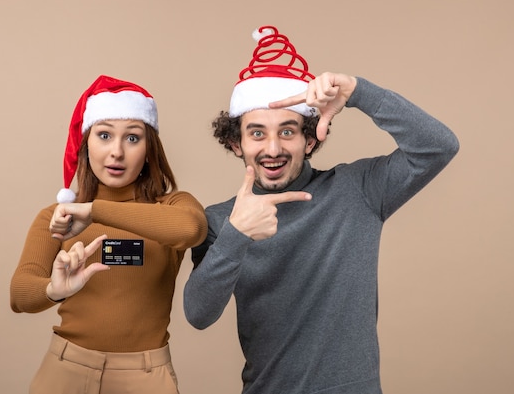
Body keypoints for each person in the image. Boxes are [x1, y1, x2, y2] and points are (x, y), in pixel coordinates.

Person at [183, 26, 459, 394]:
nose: (273, 148)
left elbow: (439, 146)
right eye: (257, 133)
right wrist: (237, 235)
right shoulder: (220, 220)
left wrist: (359, 92)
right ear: (236, 143)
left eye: (287, 131)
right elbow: (198, 314)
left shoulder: (357, 189)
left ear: (310, 138)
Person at [10, 75, 207, 394]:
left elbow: (192, 228)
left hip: (145, 376)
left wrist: (93, 210)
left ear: (149, 149)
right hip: (64, 371)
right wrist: (55, 289)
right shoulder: (58, 217)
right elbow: (19, 296)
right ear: (86, 143)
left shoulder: (171, 206)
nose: (117, 152)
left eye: (132, 138)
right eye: (104, 135)